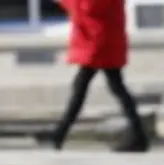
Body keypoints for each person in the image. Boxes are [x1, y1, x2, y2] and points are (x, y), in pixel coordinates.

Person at [36, 0, 148, 152]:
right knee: (113, 88)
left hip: (98, 41)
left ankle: (59, 134)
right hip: (104, 39)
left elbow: (88, 7)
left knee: (83, 88)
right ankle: (139, 136)